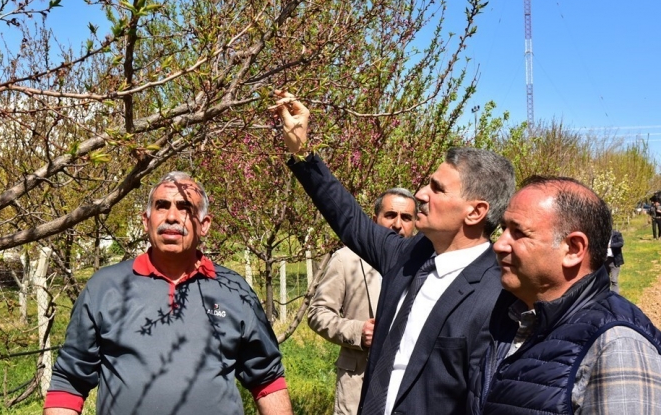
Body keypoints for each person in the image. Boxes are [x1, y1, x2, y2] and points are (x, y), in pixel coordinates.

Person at [273, 91, 516, 415]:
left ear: (475, 212)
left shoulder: (497, 294)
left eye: (437, 188)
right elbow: (349, 220)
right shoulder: (409, 256)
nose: (420, 194)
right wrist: (302, 151)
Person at [43, 172, 292, 415]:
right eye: (162, 206)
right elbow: (69, 384)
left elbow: (267, 381)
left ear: (205, 225)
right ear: (145, 220)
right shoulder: (104, 288)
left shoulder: (233, 290)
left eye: (185, 207)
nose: (172, 217)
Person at [471, 176, 661, 414]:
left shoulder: (617, 346)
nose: (499, 245)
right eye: (504, 229)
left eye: (518, 232)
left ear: (573, 249)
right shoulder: (513, 316)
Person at [308, 188, 416, 415]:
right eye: (390, 215)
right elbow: (318, 313)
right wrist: (358, 331)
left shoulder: (423, 267)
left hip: (405, 389)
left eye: (406, 218)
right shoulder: (346, 260)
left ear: (415, 223)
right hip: (357, 385)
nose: (398, 224)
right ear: (374, 219)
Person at [605, 229, 624, 293]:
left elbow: (621, 243)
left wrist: (610, 246)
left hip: (614, 260)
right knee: (605, 279)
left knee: (614, 280)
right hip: (605, 260)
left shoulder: (616, 234)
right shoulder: (602, 235)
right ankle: (605, 295)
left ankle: (615, 296)